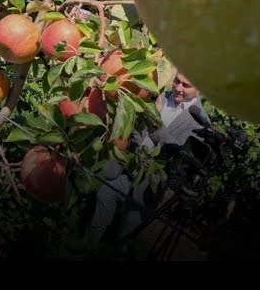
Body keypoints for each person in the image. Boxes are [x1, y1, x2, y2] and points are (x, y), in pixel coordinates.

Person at [83, 71, 209, 247]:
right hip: (123, 171)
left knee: (125, 237)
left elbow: (176, 151)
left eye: (186, 85)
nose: (178, 88)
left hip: (147, 187)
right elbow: (135, 126)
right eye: (176, 81)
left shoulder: (200, 123)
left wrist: (155, 120)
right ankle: (85, 249)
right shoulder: (157, 96)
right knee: (98, 218)